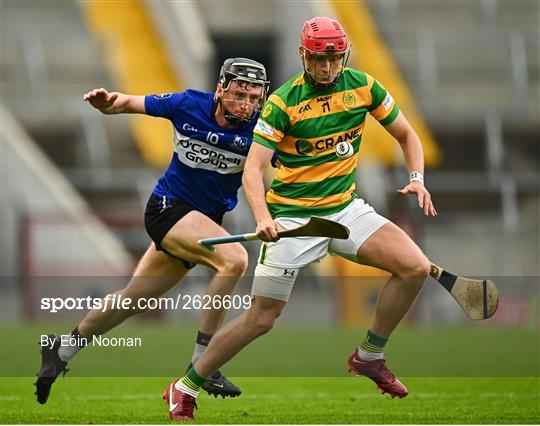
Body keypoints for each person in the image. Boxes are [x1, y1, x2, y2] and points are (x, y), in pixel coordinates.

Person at [165, 16, 437, 421]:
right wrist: (262, 217)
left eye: (332, 60)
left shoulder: (363, 86)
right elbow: (253, 169)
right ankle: (185, 385)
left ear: (342, 56)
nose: (326, 68)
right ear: (303, 57)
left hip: (345, 209)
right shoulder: (283, 102)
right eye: (317, 60)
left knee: (414, 267)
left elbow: (407, 135)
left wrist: (416, 179)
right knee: (261, 318)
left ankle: (369, 355)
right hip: (292, 220)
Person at [35, 58, 270, 405]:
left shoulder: (260, 132)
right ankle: (202, 361)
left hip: (200, 224)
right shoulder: (189, 104)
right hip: (167, 209)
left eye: (254, 97)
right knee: (234, 259)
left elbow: (287, 170)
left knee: (132, 300)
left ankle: (61, 351)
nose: (247, 104)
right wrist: (107, 104)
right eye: (239, 94)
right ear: (221, 89)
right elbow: (127, 102)